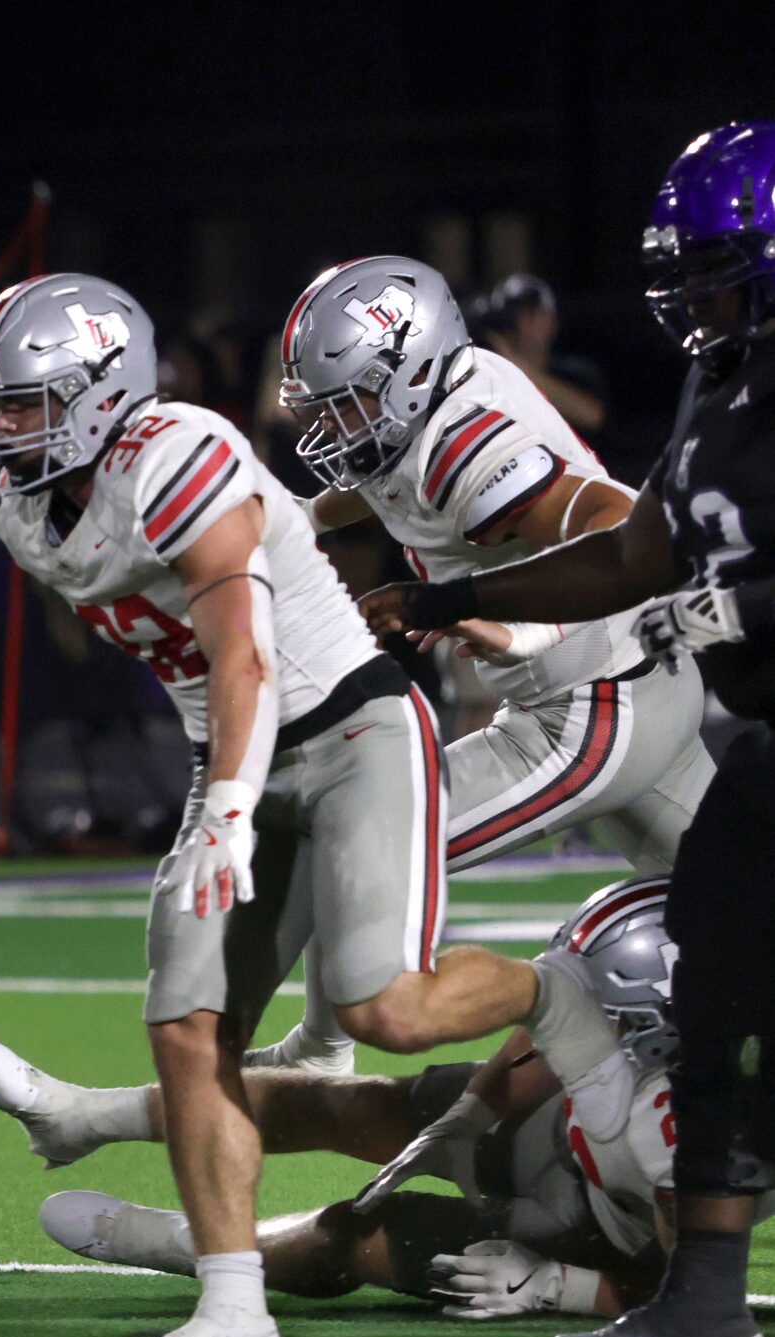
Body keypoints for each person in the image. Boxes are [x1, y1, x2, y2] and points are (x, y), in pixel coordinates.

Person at [0, 272, 598, 1337]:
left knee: (384, 1009)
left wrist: (222, 812)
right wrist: (223, 789)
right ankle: (232, 1312)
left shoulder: (177, 455)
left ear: (102, 392)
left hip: (348, 730)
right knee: (185, 1024)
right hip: (234, 750)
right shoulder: (23, 504)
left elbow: (243, 656)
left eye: (23, 404)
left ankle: (560, 992)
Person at [363, 121, 775, 1337]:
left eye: (717, 268)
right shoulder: (724, 381)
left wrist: (738, 606)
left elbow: (690, 579)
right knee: (715, 1001)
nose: (696, 299)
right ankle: (700, 1300)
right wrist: (449, 600)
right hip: (761, 743)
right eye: (687, 274)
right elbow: (630, 552)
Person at [242, 256, 716, 1078]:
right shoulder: (442, 402)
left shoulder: (471, 446)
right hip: (633, 686)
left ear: (409, 374)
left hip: (589, 709)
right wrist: (308, 515)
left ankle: (320, 1051)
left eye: (349, 400)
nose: (334, 426)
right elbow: (392, 477)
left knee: (355, 834)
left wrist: (490, 614)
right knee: (741, 894)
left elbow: (617, 520)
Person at [0, 879, 713, 1321]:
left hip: (600, 1239)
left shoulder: (694, 1141)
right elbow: (547, 1005)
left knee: (356, 1236)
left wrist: (565, 1288)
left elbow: (696, 1294)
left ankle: (186, 1244)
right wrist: (473, 1113)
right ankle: (82, 1117)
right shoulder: (635, 1036)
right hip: (564, 1130)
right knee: (366, 1104)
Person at [471, 272, 609, 440]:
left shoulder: (575, 372)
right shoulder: (488, 374)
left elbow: (592, 416)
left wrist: (514, 365)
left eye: (531, 314)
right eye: (513, 315)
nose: (521, 324)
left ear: (552, 322)